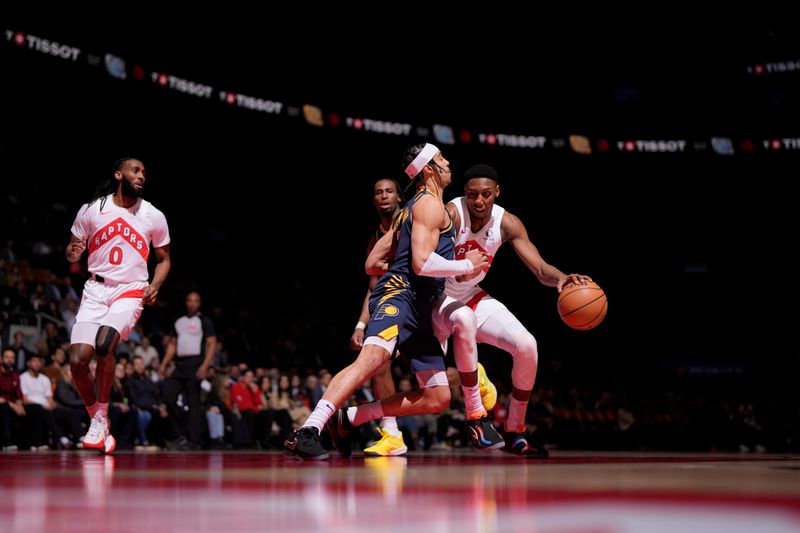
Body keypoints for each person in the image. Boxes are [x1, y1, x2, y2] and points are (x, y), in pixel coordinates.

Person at [285, 143, 493, 460]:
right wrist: (466, 265)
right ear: (429, 169)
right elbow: (422, 264)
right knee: (371, 360)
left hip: (422, 307)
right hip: (402, 295)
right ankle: (309, 429)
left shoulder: (410, 210)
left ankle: (349, 418)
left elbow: (371, 262)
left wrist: (409, 262)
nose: (447, 162)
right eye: (441, 159)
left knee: (437, 397)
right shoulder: (428, 206)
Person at [433, 164, 591, 457]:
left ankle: (515, 429)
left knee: (527, 345)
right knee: (431, 393)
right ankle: (474, 409)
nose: (478, 201)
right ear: (464, 194)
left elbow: (540, 268)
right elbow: (425, 262)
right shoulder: (451, 214)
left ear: (497, 193)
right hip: (435, 300)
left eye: (485, 195)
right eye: (472, 195)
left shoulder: (508, 223)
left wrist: (562, 278)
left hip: (470, 297)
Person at [67, 157, 171, 454]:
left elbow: (164, 259)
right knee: (77, 361)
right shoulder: (92, 209)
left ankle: (100, 417)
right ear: (118, 174)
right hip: (95, 290)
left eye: (144, 173)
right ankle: (99, 419)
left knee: (105, 344)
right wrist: (73, 252)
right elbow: (72, 250)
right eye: (135, 170)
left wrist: (155, 285)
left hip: (129, 290)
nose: (141, 176)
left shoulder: (153, 215)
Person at [348, 178, 408, 456]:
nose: (383, 196)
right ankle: (391, 433)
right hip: (395, 307)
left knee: (437, 383)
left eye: (389, 191)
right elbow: (374, 289)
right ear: (374, 200)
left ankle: (475, 377)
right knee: (379, 364)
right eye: (378, 192)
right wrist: (361, 324)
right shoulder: (376, 240)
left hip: (426, 304)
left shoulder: (412, 220)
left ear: (399, 197)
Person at [158, 291, 217, 450]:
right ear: (186, 302)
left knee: (193, 403)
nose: (192, 303)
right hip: (180, 365)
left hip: (196, 363)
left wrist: (205, 366)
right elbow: (172, 345)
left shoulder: (204, 321)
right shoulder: (179, 322)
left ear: (199, 303)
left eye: (195, 300)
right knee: (168, 397)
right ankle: (181, 433)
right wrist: (164, 364)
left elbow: (212, 344)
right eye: (189, 300)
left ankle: (194, 440)